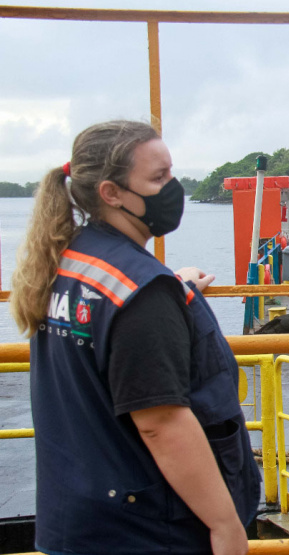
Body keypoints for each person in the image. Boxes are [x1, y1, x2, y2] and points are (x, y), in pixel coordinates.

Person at [10, 121, 261, 555]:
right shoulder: (142, 293)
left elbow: (114, 327)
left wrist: (174, 288)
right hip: (147, 529)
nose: (173, 188)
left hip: (80, 517)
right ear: (111, 193)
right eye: (158, 178)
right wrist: (225, 526)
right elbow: (161, 424)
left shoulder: (65, 262)